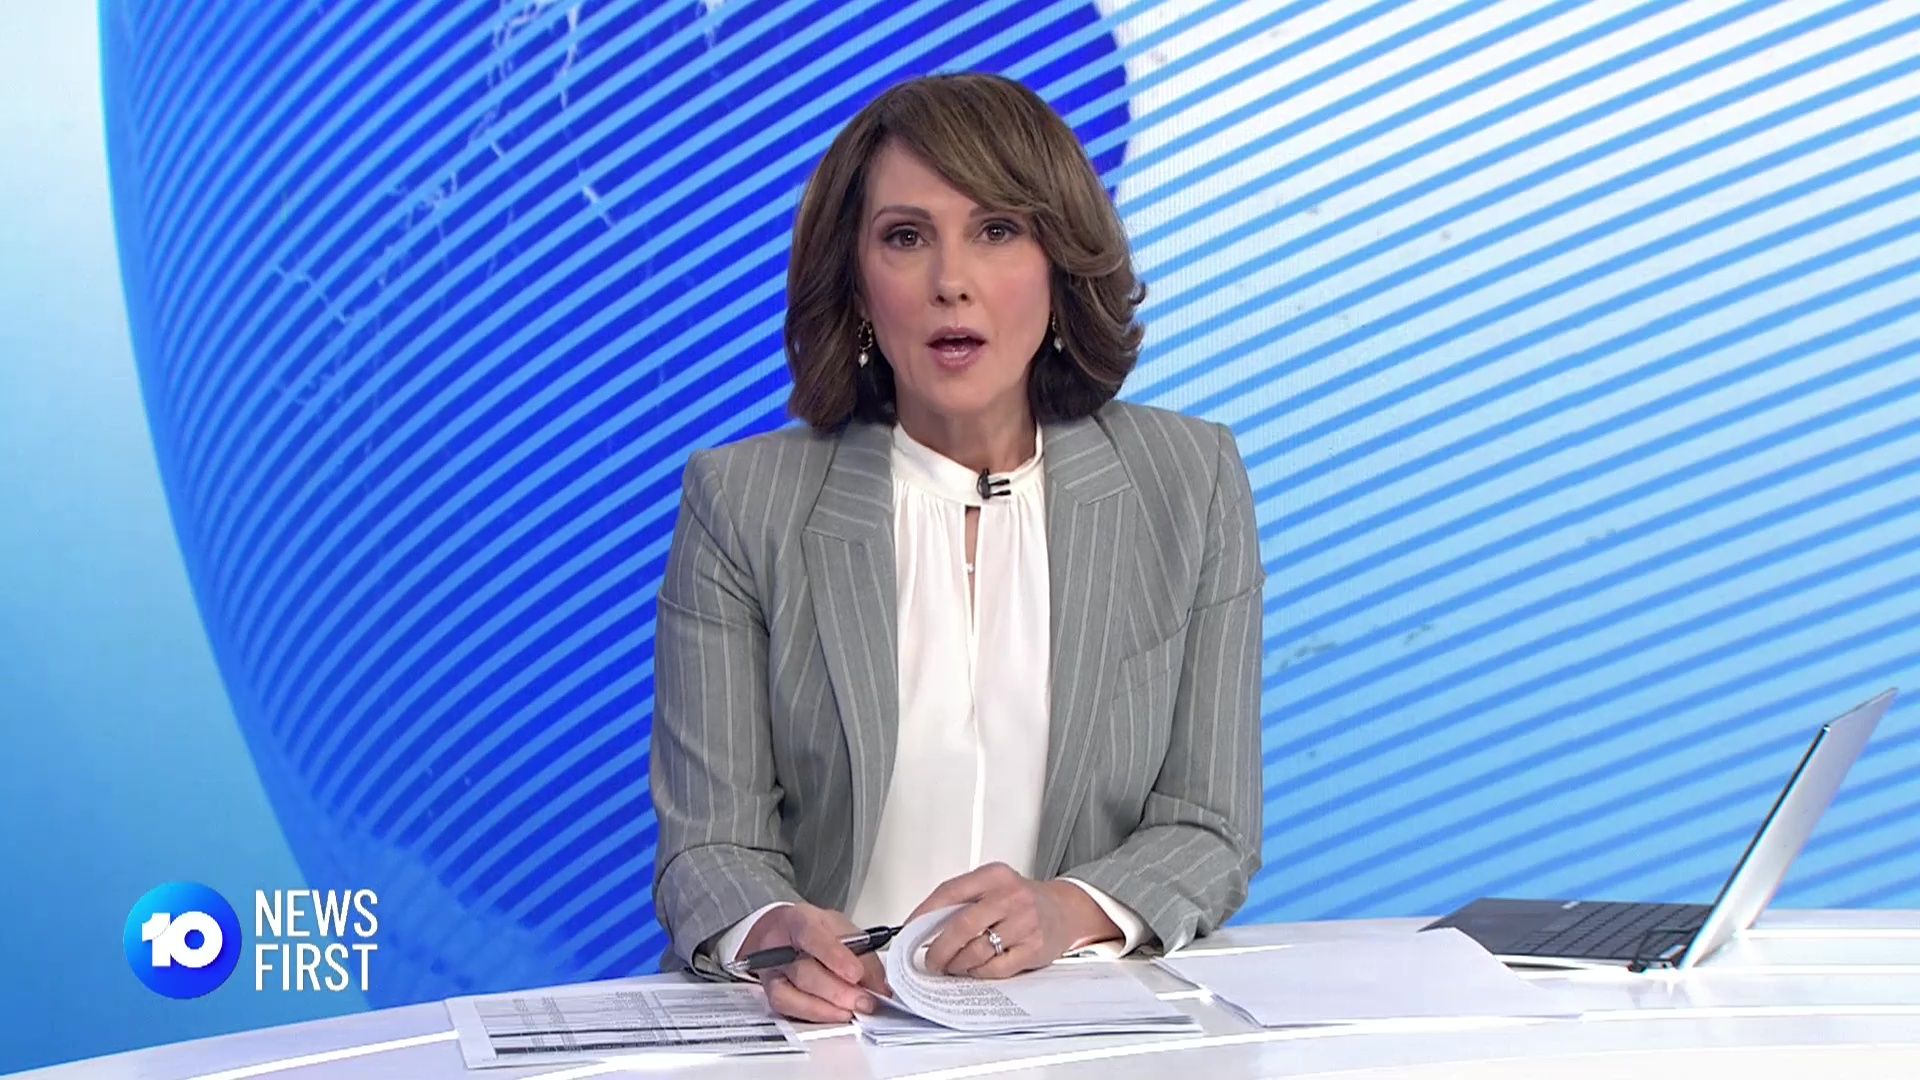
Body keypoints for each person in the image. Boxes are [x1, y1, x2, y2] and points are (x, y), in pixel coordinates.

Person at [650, 72, 1264, 1024]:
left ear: (1060, 264)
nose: (951, 280)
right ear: (857, 284)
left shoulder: (1189, 482)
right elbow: (708, 847)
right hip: (833, 1034)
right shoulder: (743, 500)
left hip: (1075, 1022)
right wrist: (774, 931)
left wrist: (1064, 912)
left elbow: (1210, 827)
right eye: (905, 237)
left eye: (997, 230)